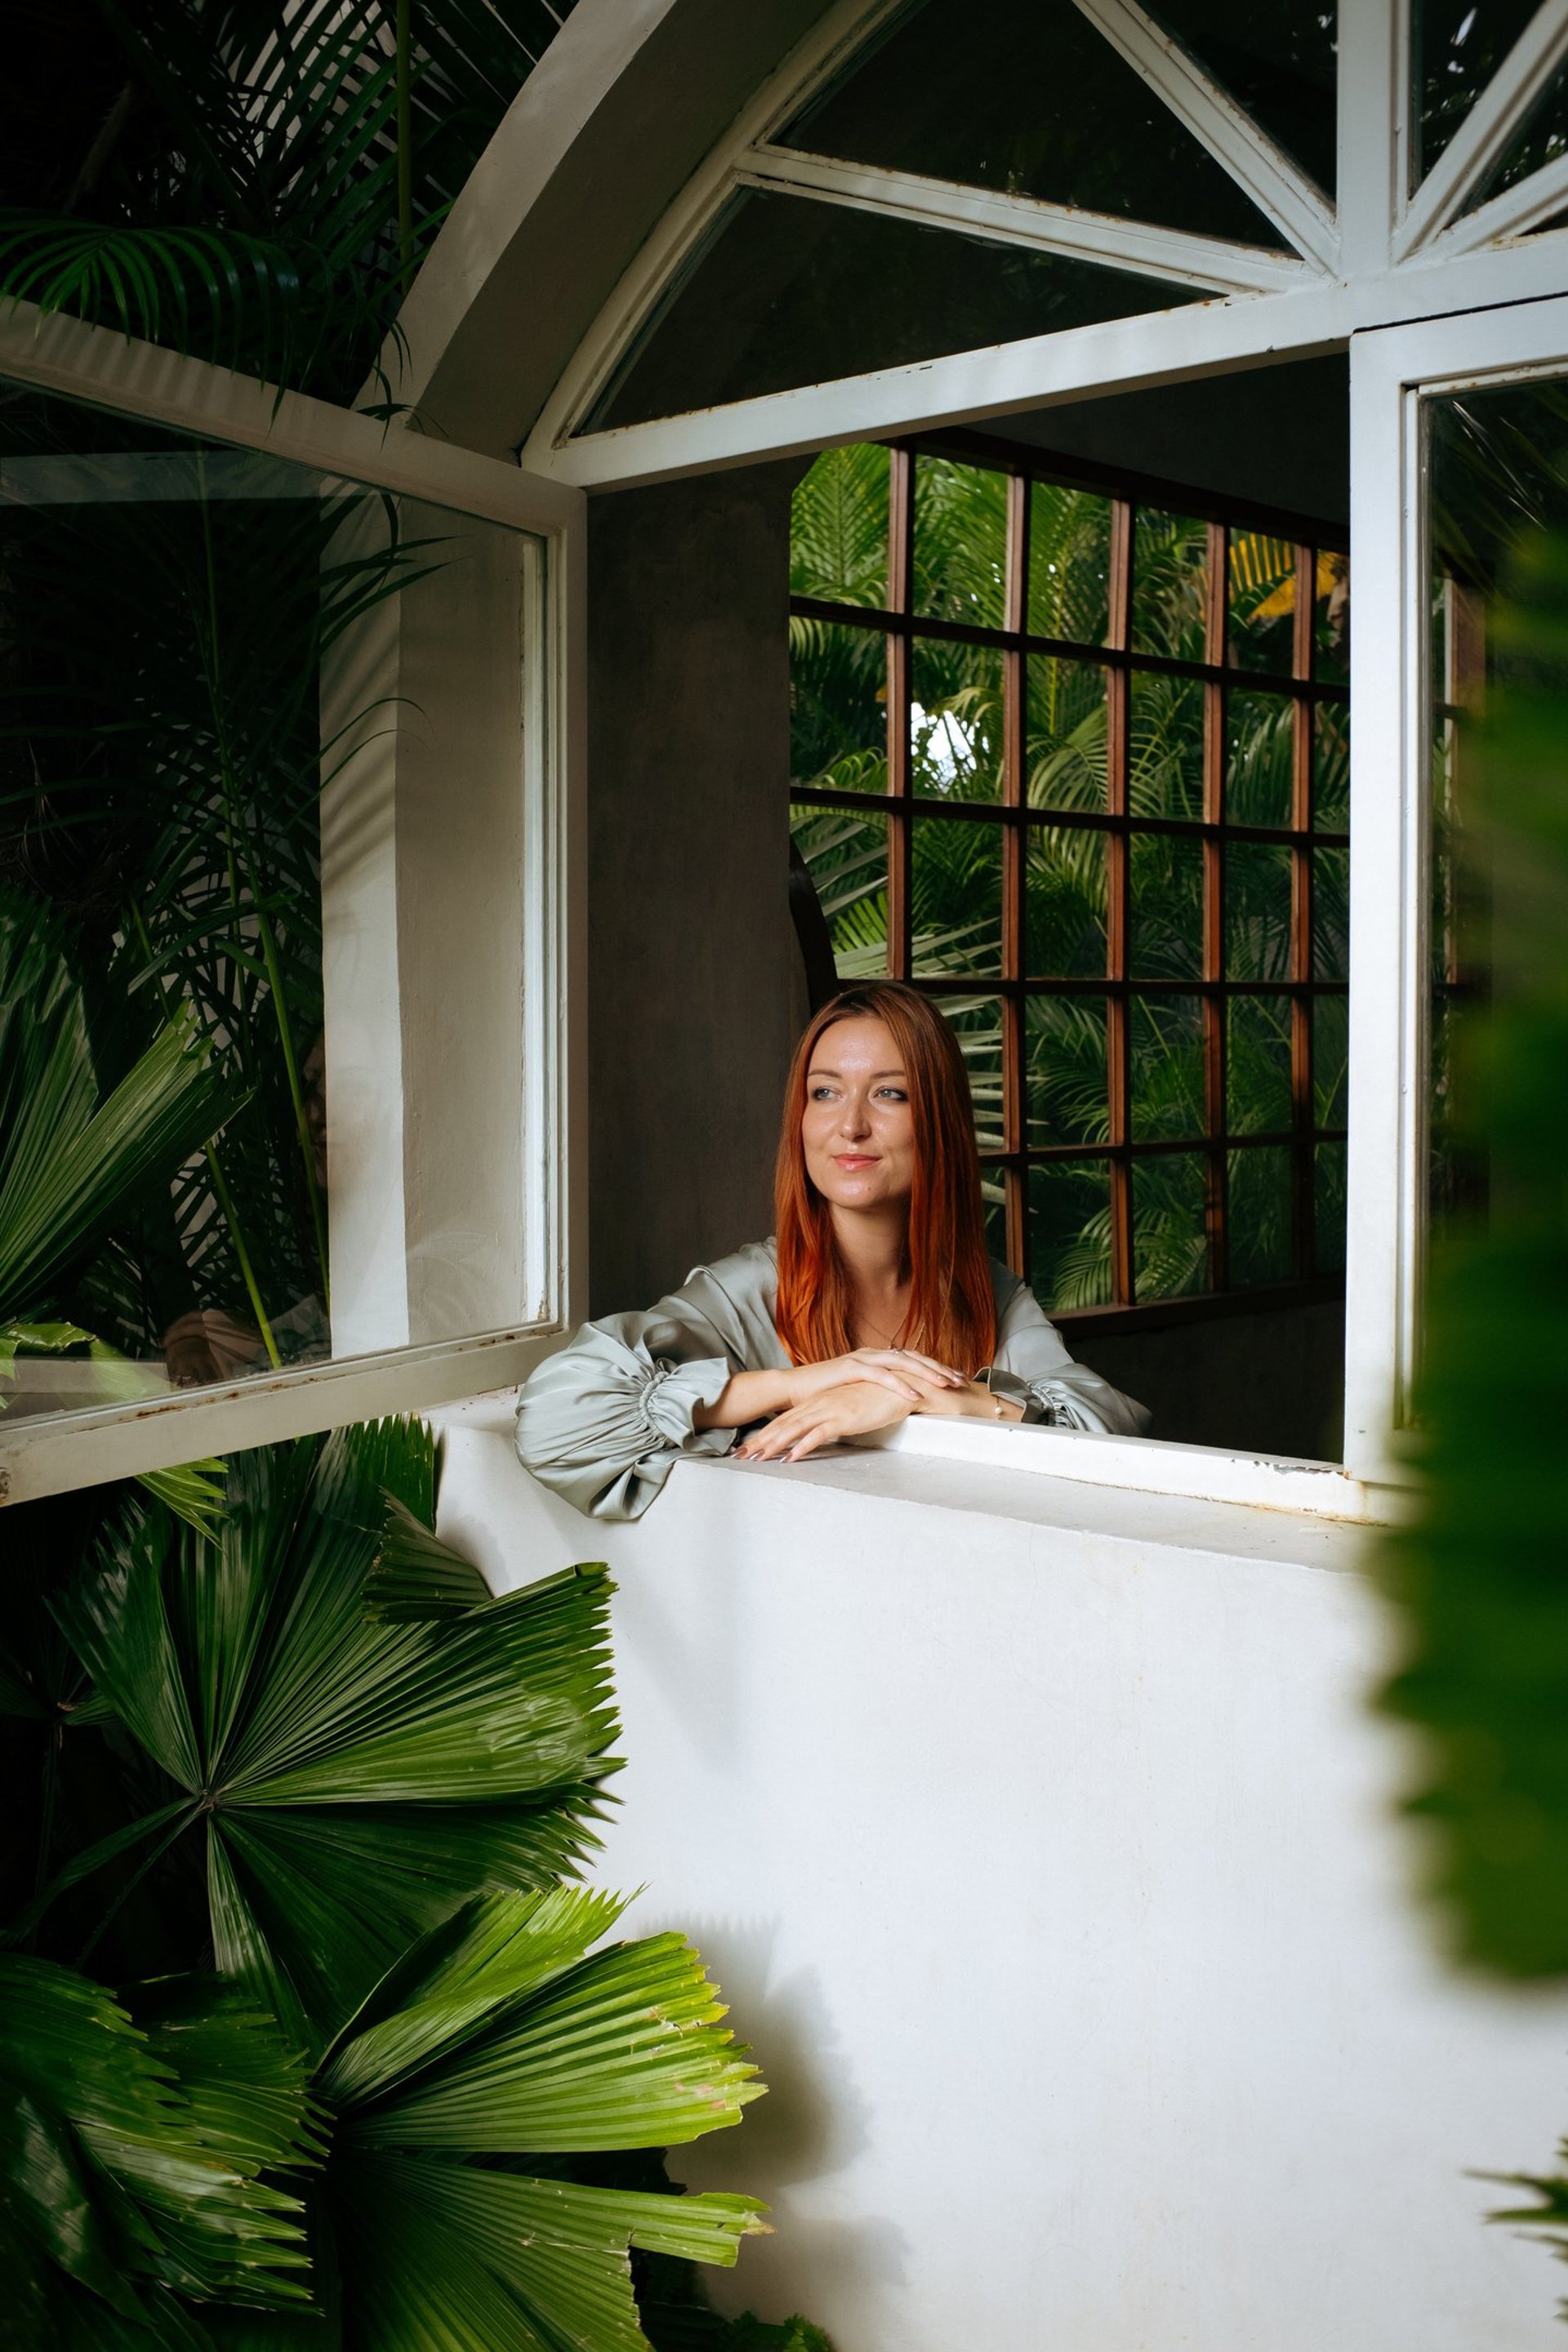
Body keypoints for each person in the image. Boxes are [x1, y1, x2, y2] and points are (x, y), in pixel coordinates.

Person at [514, 980, 1150, 1519]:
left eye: (889, 1093)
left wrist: (923, 1398)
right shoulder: (745, 1291)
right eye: (825, 1092)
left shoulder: (991, 1294)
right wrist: (806, 1385)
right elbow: (557, 1420)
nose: (850, 1125)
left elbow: (1114, 1435)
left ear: (940, 1119)